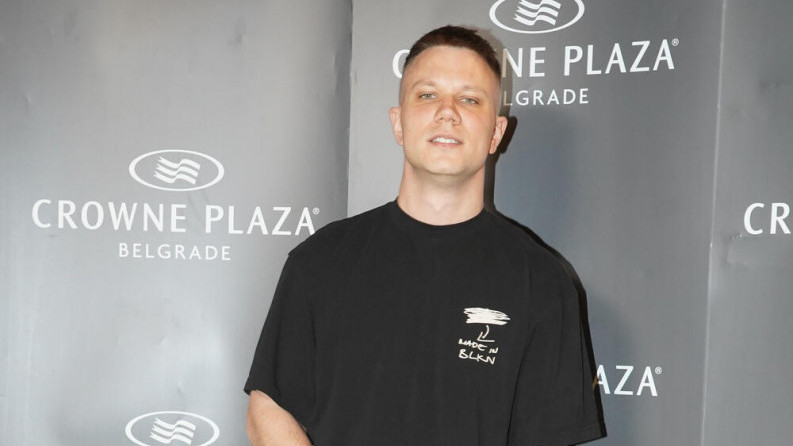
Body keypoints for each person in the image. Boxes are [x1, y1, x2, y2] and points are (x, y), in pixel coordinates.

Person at [244, 25, 605, 446]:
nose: (447, 112)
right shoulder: (320, 260)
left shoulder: (541, 282)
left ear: (495, 134)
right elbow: (269, 408)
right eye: (428, 95)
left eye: (469, 99)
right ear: (398, 123)